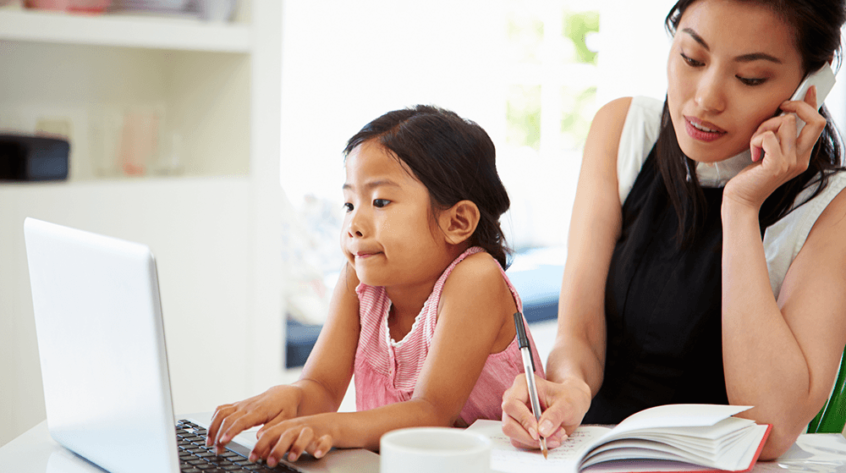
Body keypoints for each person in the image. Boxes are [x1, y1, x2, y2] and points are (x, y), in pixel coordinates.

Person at [501, 0, 846, 460]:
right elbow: (579, 336)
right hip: (598, 456)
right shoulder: (623, 130)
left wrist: (741, 208)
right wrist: (567, 390)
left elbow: (773, 426)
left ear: (811, 86)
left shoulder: (830, 207)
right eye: (692, 58)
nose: (705, 98)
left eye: (750, 78)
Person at [206, 105, 544, 467]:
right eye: (349, 203)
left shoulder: (476, 278)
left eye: (380, 201)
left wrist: (330, 428)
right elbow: (321, 387)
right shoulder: (360, 281)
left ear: (457, 221)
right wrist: (289, 398)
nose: (354, 224)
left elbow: (431, 414)